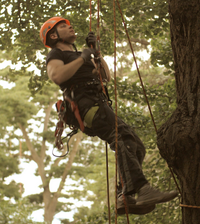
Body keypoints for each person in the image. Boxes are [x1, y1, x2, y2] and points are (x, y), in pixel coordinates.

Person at [40, 17, 178, 215]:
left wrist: (95, 53)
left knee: (134, 144)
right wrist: (83, 57)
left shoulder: (80, 55)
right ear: (53, 35)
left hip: (97, 102)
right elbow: (57, 76)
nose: (70, 26)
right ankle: (142, 189)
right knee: (120, 137)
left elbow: (104, 76)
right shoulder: (57, 53)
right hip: (87, 105)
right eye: (63, 26)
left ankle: (125, 195)